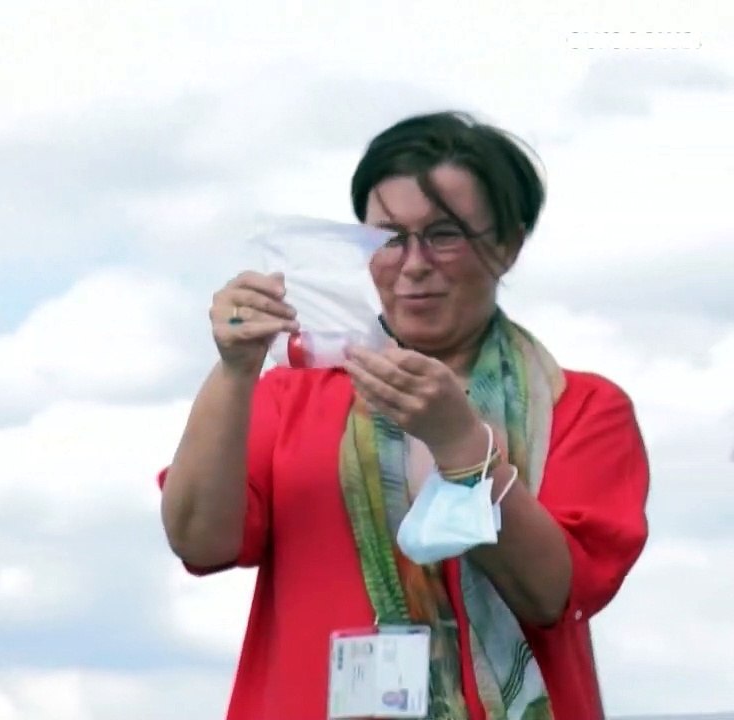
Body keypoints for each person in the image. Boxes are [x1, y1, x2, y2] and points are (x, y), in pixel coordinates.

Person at [158, 111, 650, 719]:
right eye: (388, 238)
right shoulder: (293, 396)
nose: (414, 264)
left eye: (445, 234)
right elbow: (199, 540)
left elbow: (552, 595)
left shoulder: (583, 409)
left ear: (508, 243)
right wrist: (236, 369)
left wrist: (463, 448)